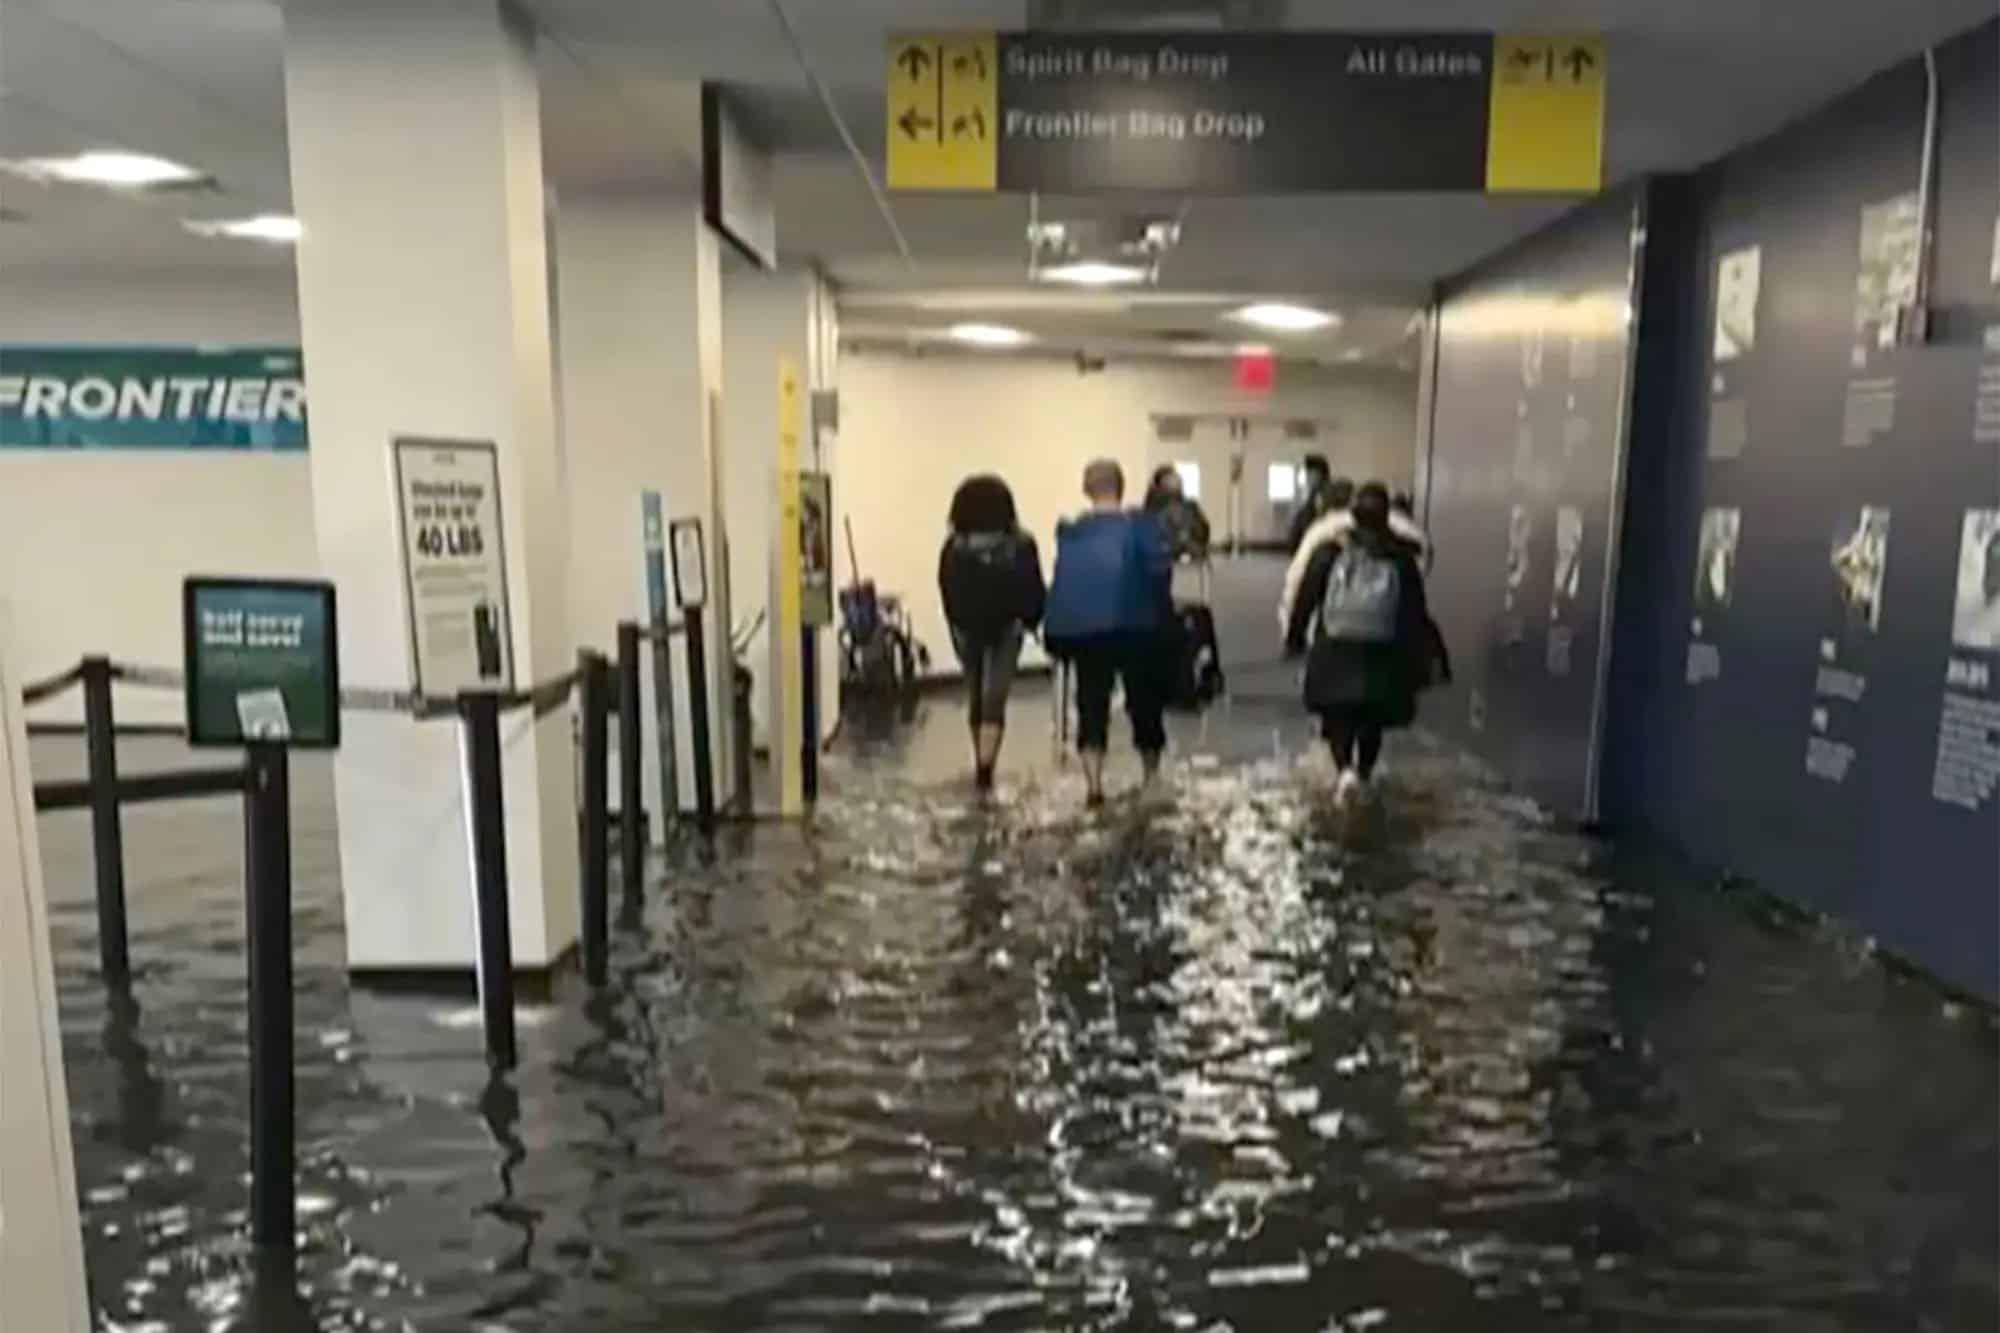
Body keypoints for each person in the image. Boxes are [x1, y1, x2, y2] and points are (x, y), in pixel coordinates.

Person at [1285, 482, 1436, 805]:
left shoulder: (1331, 551)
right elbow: (1414, 613)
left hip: (1335, 650)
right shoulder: (1401, 559)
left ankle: (1344, 772)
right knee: (1372, 719)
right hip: (1381, 655)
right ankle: (1364, 774)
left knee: (1338, 716)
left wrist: (1295, 640)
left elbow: (1306, 598)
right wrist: (1417, 659)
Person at [1043, 459, 1173, 806]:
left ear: (1087, 489)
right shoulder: (1141, 528)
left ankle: (1094, 785)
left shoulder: (1072, 532)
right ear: (1122, 486)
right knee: (1144, 702)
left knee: (1091, 703)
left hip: (1086, 632)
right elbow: (1161, 574)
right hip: (1136, 626)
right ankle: (1150, 778)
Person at [938, 474, 1046, 791]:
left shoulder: (954, 547)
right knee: (995, 697)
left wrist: (955, 623)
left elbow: (947, 589)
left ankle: (979, 759)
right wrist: (1032, 620)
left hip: (966, 629)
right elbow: (1033, 588)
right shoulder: (1022, 544)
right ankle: (987, 765)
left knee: (974, 692)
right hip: (1007, 628)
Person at [1277, 477, 1427, 633]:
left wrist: (1291, 632)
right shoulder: (1403, 556)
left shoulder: (1325, 539)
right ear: (1387, 514)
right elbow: (1416, 610)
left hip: (1333, 640)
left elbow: (1297, 581)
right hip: (1388, 644)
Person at [1143, 465, 1212, 563]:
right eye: (1175, 480)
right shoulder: (1154, 509)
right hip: (1172, 560)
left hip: (1182, 560)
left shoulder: (1190, 506)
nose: (1179, 482)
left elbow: (1204, 531)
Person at [1286, 454, 1337, 552]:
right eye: (1307, 473)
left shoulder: (1327, 493)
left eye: (1310, 473)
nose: (1308, 477)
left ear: (1320, 474)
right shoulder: (1314, 493)